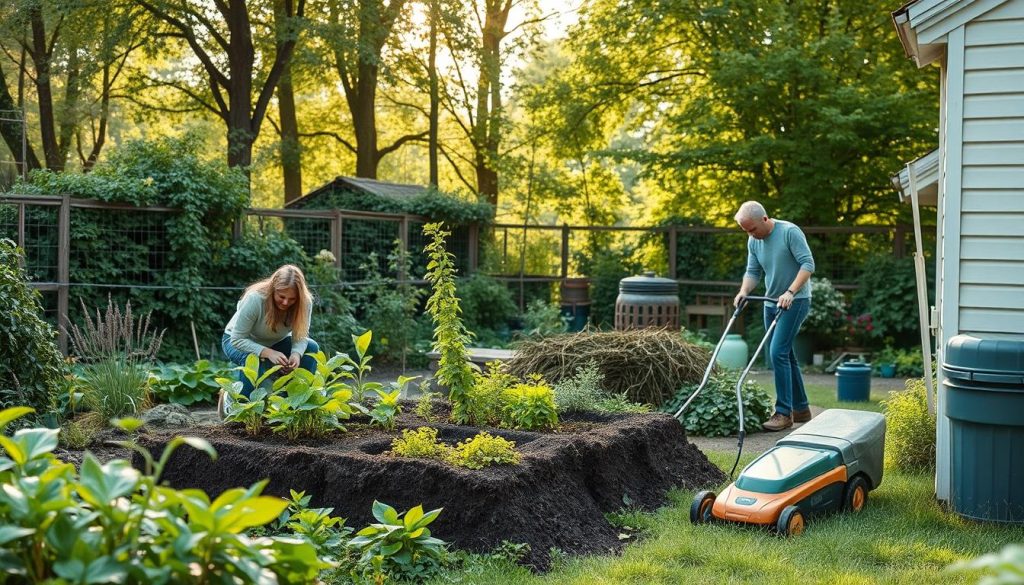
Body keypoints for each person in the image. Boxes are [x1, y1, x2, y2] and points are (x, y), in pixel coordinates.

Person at [732, 201, 815, 431]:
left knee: (777, 352)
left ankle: (783, 413)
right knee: (785, 354)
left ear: (765, 219)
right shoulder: (753, 240)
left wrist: (791, 291)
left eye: (752, 229)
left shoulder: (789, 232)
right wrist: (744, 292)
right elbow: (753, 271)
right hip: (771, 302)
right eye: (746, 230)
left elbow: (808, 264)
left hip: (795, 301)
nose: (750, 234)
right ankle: (801, 409)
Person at [220, 264, 320, 411]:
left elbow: (301, 335)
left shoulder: (305, 303)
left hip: (275, 342)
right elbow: (237, 339)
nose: (286, 302)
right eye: (282, 296)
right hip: (238, 342)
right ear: (273, 289)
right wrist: (268, 353)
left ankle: (289, 407)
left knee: (311, 348)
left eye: (292, 299)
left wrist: (296, 354)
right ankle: (236, 402)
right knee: (252, 359)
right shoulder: (256, 298)